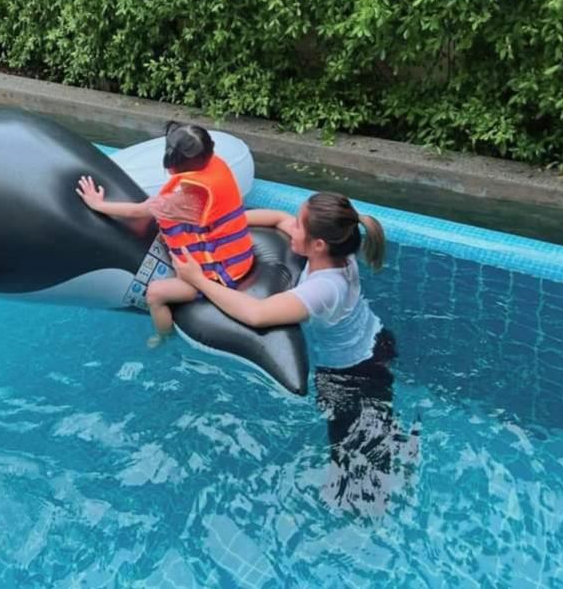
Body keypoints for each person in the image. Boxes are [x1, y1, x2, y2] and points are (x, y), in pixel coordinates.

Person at [171, 192, 417, 514]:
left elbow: (256, 314)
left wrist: (197, 280)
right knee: (376, 426)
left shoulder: (325, 288)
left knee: (353, 461)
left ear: (319, 245)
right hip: (375, 341)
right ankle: (396, 455)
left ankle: (365, 517)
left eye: (299, 225)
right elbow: (277, 218)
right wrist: (216, 228)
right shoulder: (334, 249)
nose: (292, 226)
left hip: (354, 373)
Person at [76, 121, 254, 346]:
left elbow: (138, 211)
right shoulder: (216, 169)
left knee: (155, 294)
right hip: (239, 258)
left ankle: (163, 336)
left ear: (171, 165)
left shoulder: (180, 202)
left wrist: (98, 204)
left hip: (219, 276)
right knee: (166, 231)